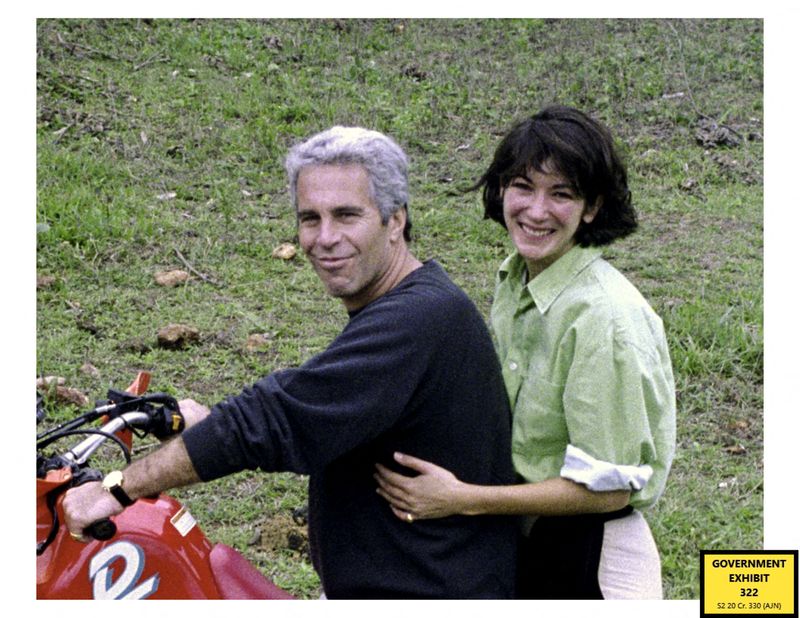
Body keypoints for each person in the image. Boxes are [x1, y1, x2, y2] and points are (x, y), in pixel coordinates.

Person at [63, 126, 517, 599]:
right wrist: (210, 424)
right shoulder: (413, 301)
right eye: (310, 218)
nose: (325, 238)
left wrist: (116, 490)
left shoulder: (419, 319)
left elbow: (275, 416)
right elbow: (316, 414)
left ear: (395, 220)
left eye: (346, 215)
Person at [375, 106, 677, 600]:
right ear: (500, 191)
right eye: (523, 187)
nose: (536, 211)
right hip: (528, 541)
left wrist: (463, 500)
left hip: (594, 556)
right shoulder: (516, 280)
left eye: (561, 194)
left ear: (593, 207)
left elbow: (610, 488)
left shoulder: (604, 318)